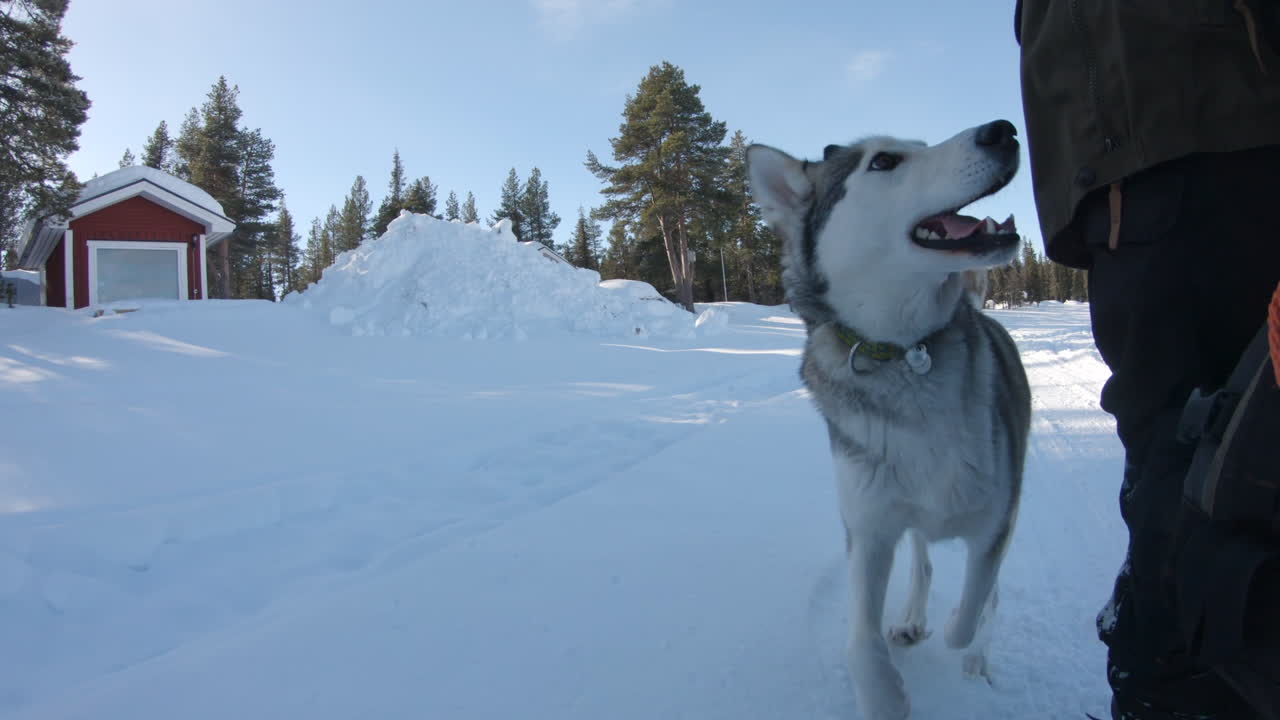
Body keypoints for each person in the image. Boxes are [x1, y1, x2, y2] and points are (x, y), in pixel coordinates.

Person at [1015, 1, 1280, 718]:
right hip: (1122, 189)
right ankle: (1167, 675)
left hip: (1229, 156)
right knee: (1180, 465)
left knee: (1220, 469)